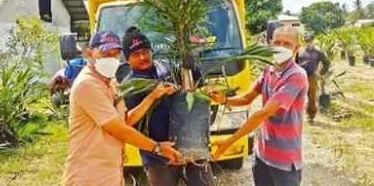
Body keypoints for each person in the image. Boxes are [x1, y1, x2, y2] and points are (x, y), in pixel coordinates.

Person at [62, 30, 181, 186]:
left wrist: (152, 96)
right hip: (88, 174)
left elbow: (126, 120)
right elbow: (120, 130)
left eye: (116, 53)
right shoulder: (87, 85)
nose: (112, 59)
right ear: (90, 54)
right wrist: (157, 147)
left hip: (110, 171)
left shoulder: (111, 82)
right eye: (106, 54)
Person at [209, 26, 308, 186]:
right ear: (270, 43)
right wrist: (224, 100)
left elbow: (262, 114)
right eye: (277, 42)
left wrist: (228, 142)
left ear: (297, 47)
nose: (281, 47)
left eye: (287, 44)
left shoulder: (296, 76)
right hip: (263, 153)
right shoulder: (269, 68)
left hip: (284, 158)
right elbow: (247, 98)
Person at [122, 27, 216, 186]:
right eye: (135, 54)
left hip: (190, 147)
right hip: (159, 157)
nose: (142, 57)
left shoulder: (165, 66)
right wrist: (152, 96)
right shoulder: (129, 86)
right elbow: (127, 123)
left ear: (151, 51)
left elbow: (196, 80)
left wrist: (192, 67)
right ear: (127, 59)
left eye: (145, 50)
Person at [295, 33, 330, 124]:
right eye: (306, 41)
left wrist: (320, 72)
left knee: (311, 96)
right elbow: (295, 63)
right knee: (297, 95)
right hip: (300, 76)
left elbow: (326, 63)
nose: (308, 42)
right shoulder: (300, 51)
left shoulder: (318, 52)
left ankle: (311, 115)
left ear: (312, 41)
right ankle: (295, 114)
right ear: (304, 41)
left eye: (310, 41)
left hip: (312, 76)